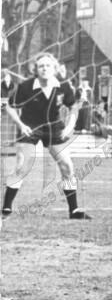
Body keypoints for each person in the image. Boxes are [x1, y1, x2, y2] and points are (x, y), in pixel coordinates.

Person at [2, 53, 90, 219]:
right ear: (36, 69)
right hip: (30, 126)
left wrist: (69, 126)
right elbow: (9, 106)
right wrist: (21, 125)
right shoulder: (26, 86)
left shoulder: (63, 86)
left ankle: (74, 211)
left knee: (67, 166)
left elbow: (74, 106)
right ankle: (6, 208)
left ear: (54, 68)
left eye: (48, 65)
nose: (44, 68)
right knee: (21, 166)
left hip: (53, 127)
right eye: (41, 66)